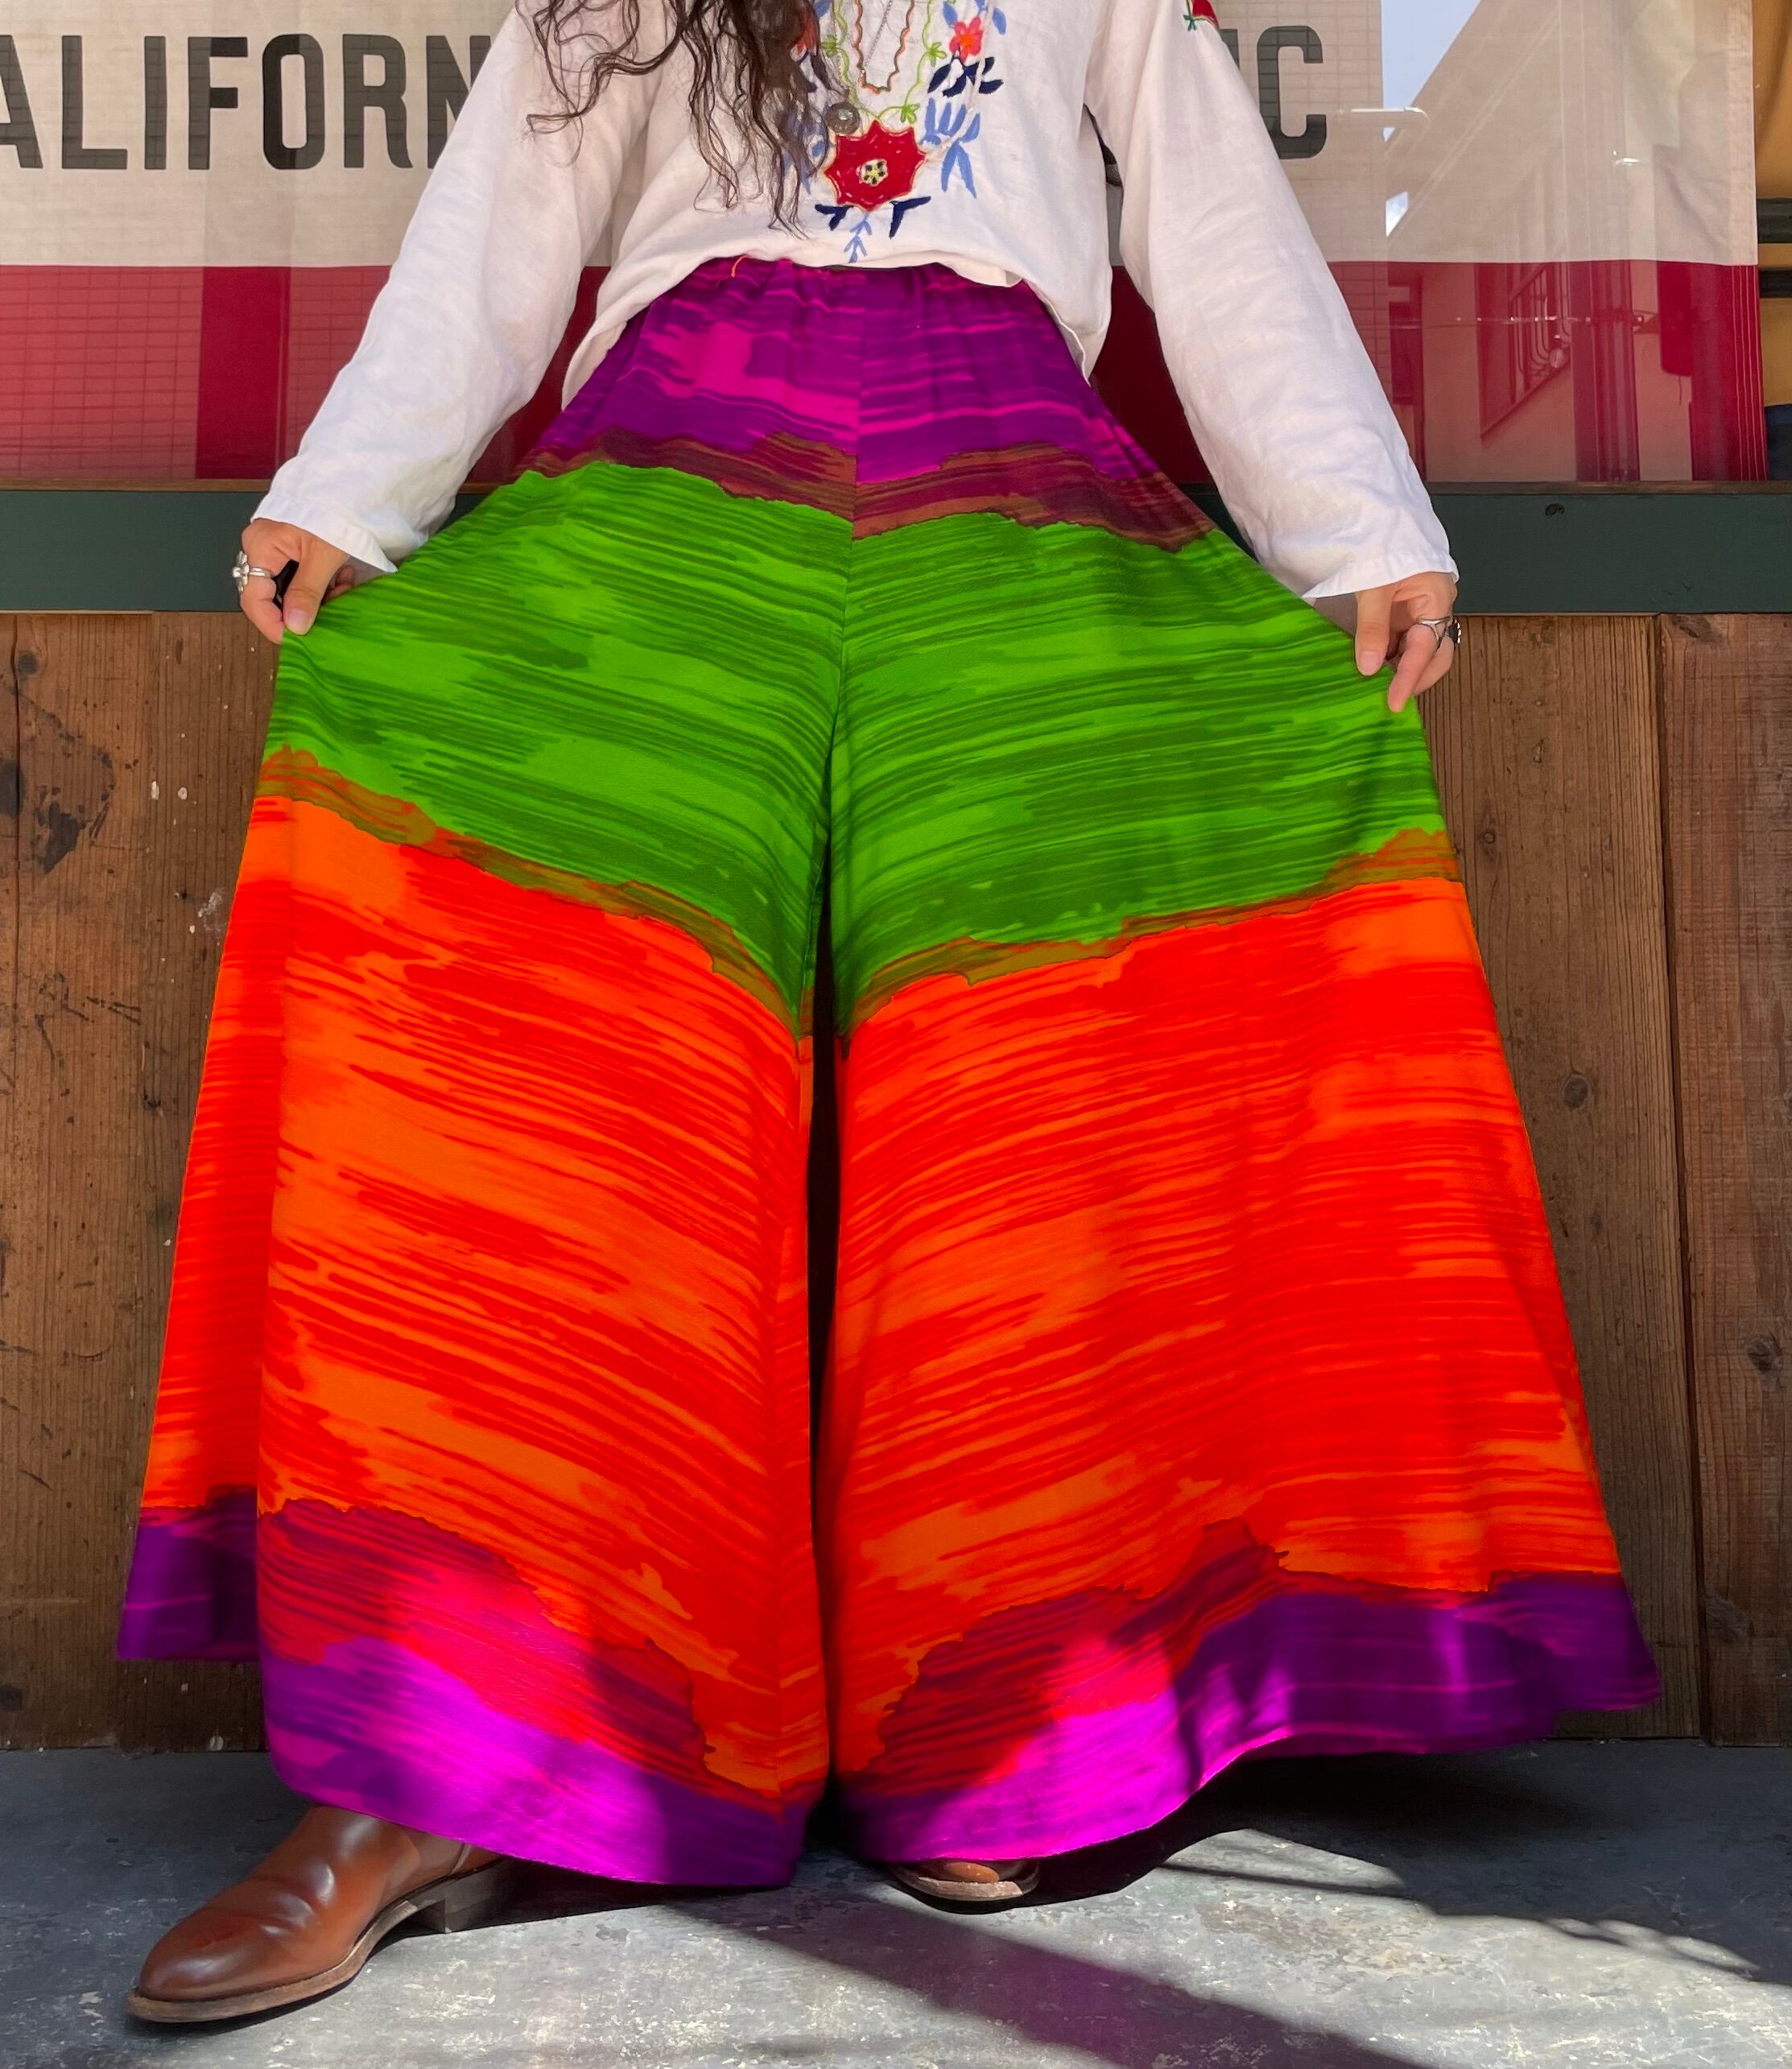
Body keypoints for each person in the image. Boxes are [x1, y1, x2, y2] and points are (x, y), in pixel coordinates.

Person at [117, 0, 1658, 2024]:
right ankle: (435, 1775)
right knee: (552, 1080)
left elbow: (1213, 224)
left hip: (1004, 491)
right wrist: (354, 488)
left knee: (1023, 1102)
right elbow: (506, 207)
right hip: (673, 480)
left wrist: (1354, 527)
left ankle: (1017, 1722)